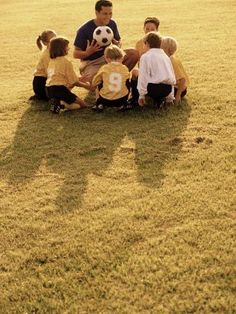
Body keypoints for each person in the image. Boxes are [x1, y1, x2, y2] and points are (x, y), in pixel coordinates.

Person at [73, 0, 139, 80]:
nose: (108, 16)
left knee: (134, 54)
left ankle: (119, 78)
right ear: (97, 13)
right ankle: (106, 80)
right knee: (92, 79)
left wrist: (117, 45)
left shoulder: (112, 23)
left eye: (110, 13)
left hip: (109, 58)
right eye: (105, 14)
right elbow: (75, 54)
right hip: (92, 63)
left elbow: (118, 43)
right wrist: (88, 52)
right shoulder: (84, 29)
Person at [46, 37, 90, 114]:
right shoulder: (66, 62)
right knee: (83, 104)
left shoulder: (52, 61)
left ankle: (59, 102)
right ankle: (60, 104)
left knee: (74, 104)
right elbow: (74, 82)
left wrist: (79, 78)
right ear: (61, 49)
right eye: (67, 47)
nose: (69, 48)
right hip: (59, 89)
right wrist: (87, 86)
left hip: (48, 89)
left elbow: (60, 76)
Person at [137, 32, 176, 107]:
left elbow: (143, 77)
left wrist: (141, 95)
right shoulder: (165, 57)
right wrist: (170, 98)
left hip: (152, 89)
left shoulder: (145, 57)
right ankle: (159, 102)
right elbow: (171, 75)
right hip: (166, 89)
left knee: (137, 77)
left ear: (147, 44)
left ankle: (137, 101)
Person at [129, 17, 160, 106]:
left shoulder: (161, 42)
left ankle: (157, 98)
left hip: (157, 73)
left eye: (152, 29)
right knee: (134, 72)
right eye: (147, 29)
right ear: (143, 29)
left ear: (157, 30)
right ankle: (134, 98)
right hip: (143, 72)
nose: (149, 31)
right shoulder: (139, 43)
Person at [91, 45, 130, 112]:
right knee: (127, 82)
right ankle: (124, 104)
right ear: (121, 57)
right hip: (121, 99)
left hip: (105, 100)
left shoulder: (104, 68)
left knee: (99, 83)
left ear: (107, 58)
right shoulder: (124, 68)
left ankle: (99, 104)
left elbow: (94, 82)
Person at [161, 36, 190, 103]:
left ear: (168, 50)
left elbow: (182, 79)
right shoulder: (166, 59)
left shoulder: (172, 61)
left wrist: (178, 95)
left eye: (161, 47)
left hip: (178, 89)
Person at [30, 29, 57, 101]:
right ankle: (40, 95)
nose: (56, 42)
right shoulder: (46, 55)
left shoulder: (54, 52)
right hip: (41, 83)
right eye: (52, 40)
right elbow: (49, 73)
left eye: (56, 38)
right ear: (45, 43)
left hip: (47, 81)